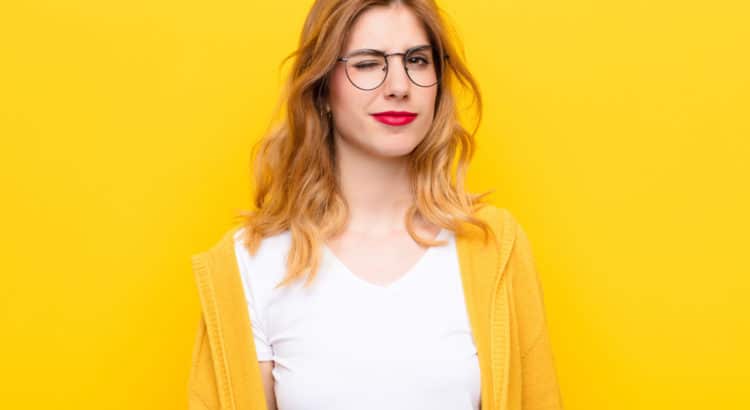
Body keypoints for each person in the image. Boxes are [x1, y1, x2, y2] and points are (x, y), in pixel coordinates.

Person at [187, 1, 563, 409]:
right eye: (367, 64)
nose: (399, 85)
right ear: (321, 90)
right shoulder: (252, 261)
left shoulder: (492, 247)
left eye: (417, 60)